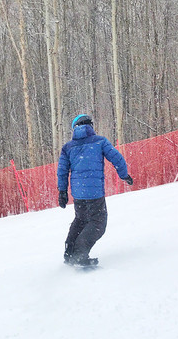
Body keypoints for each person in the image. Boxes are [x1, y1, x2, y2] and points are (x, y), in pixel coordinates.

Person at [57, 114, 133, 267]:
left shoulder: (68, 147)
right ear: (90, 126)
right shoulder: (99, 141)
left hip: (78, 194)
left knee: (80, 220)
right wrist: (124, 175)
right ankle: (80, 253)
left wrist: (62, 191)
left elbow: (62, 171)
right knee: (98, 223)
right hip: (95, 193)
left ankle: (70, 251)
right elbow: (117, 158)